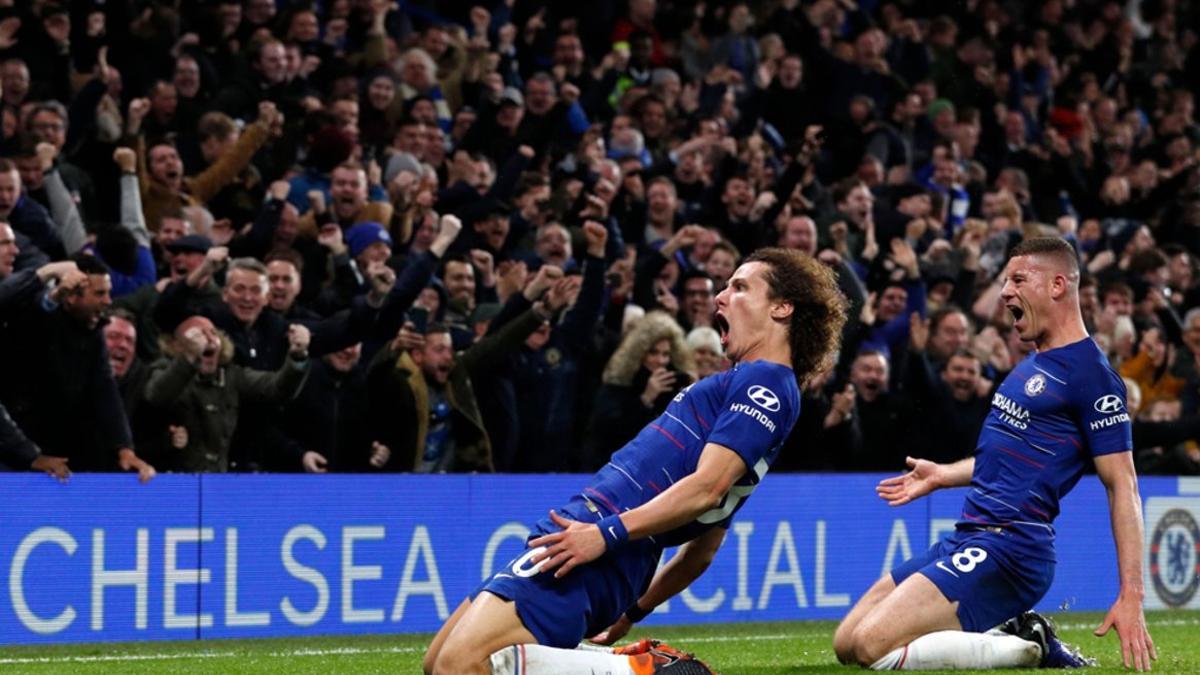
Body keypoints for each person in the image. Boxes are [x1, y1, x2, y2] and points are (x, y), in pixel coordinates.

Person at [424, 248, 847, 674]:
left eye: (739, 287)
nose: (720, 296)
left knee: (459, 666)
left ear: (781, 307)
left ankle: (639, 671)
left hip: (600, 541)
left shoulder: (767, 383)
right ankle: (631, 664)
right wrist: (632, 614)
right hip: (587, 531)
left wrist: (604, 536)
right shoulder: (749, 388)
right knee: (436, 662)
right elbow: (704, 546)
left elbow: (708, 489)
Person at [834, 237, 1156, 671]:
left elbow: (1124, 485)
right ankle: (1007, 629)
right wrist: (943, 475)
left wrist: (1131, 593)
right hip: (970, 535)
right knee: (847, 644)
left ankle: (1030, 646)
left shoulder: (1093, 377)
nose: (1005, 291)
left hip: (1012, 547)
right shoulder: (1033, 362)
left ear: (1058, 285)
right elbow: (1003, 460)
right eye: (1005, 281)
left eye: (1018, 279)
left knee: (873, 648)